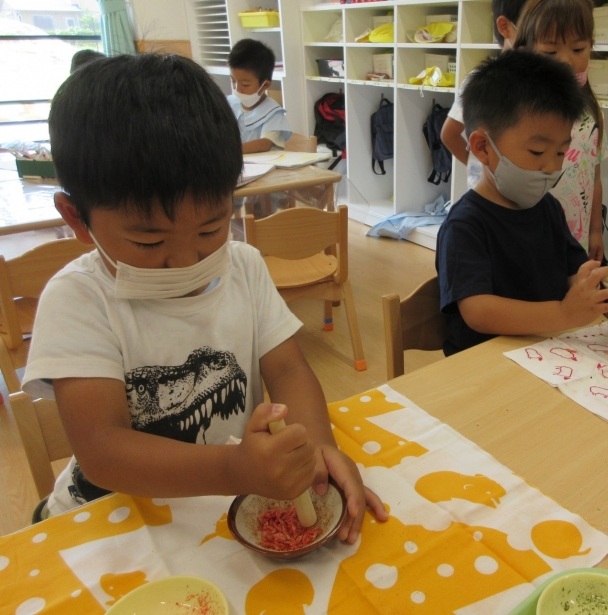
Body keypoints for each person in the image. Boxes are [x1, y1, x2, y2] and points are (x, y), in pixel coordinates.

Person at [22, 54, 387, 542]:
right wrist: (233, 469)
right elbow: (103, 451)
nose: (186, 261)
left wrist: (318, 448)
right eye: (150, 242)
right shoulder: (78, 300)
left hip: (222, 507)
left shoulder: (243, 266)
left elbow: (287, 371)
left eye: (211, 229)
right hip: (113, 520)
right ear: (76, 219)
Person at [435, 51, 608, 356]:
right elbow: (478, 311)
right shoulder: (465, 224)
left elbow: (576, 275)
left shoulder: (548, 208)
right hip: (486, 362)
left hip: (547, 351)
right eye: (538, 152)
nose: (552, 167)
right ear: (483, 147)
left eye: (561, 153)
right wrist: (564, 314)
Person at [514, 0, 608, 260]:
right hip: (531, 237)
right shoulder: (520, 112)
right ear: (525, 52)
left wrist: (595, 231)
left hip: (576, 237)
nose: (566, 60)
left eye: (578, 49)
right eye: (550, 52)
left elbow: (594, 176)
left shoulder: (591, 112)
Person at [440, 0, 528, 181]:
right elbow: (449, 134)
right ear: (505, 27)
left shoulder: (542, 81)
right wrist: (480, 169)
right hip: (490, 187)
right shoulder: (483, 80)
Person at [227, 39, 291, 154]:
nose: (237, 88)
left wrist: (229, 151)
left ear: (265, 85)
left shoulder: (273, 113)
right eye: (233, 81)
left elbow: (265, 143)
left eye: (245, 84)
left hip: (265, 164)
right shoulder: (229, 104)